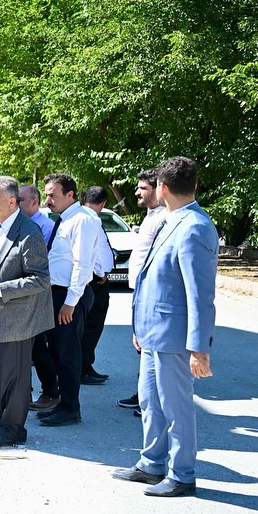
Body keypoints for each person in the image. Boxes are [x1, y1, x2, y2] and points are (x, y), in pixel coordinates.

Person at [112, 156, 217, 497]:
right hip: (153, 332)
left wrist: (199, 348)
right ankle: (152, 463)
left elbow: (200, 294)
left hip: (173, 337)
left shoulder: (194, 226)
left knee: (176, 407)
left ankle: (182, 474)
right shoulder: (169, 219)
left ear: (163, 187)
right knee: (151, 401)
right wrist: (139, 327)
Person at [0, 177, 54, 445]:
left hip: (17, 319)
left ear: (11, 201)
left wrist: (1, 290)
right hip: (0, 318)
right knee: (4, 376)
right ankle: (3, 422)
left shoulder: (29, 231)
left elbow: (40, 278)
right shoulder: (0, 227)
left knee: (16, 378)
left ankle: (13, 430)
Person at [38, 173, 101, 427]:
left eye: (52, 194)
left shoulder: (83, 220)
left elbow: (82, 264)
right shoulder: (66, 219)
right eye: (47, 195)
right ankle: (63, 403)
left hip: (69, 295)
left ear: (70, 194)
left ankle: (70, 408)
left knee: (67, 354)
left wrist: (71, 302)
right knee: (57, 352)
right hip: (58, 294)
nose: (48, 200)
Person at [119, 168, 168, 412]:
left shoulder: (164, 217)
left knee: (149, 345)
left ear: (159, 189)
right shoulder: (151, 215)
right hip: (139, 290)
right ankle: (144, 394)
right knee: (142, 345)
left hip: (151, 293)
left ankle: (151, 400)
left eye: (143, 188)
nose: (137, 192)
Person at [21, 184, 59, 411]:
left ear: (34, 202)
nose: (16, 202)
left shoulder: (45, 227)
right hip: (22, 295)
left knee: (39, 348)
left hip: (38, 293)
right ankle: (23, 391)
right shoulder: (19, 224)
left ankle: (50, 391)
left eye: (21, 199)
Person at [78, 186, 116, 385]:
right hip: (94, 281)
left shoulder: (85, 216)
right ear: (103, 203)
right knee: (91, 326)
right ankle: (83, 368)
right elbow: (94, 251)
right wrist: (100, 273)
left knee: (90, 326)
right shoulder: (90, 219)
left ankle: (86, 365)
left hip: (95, 278)